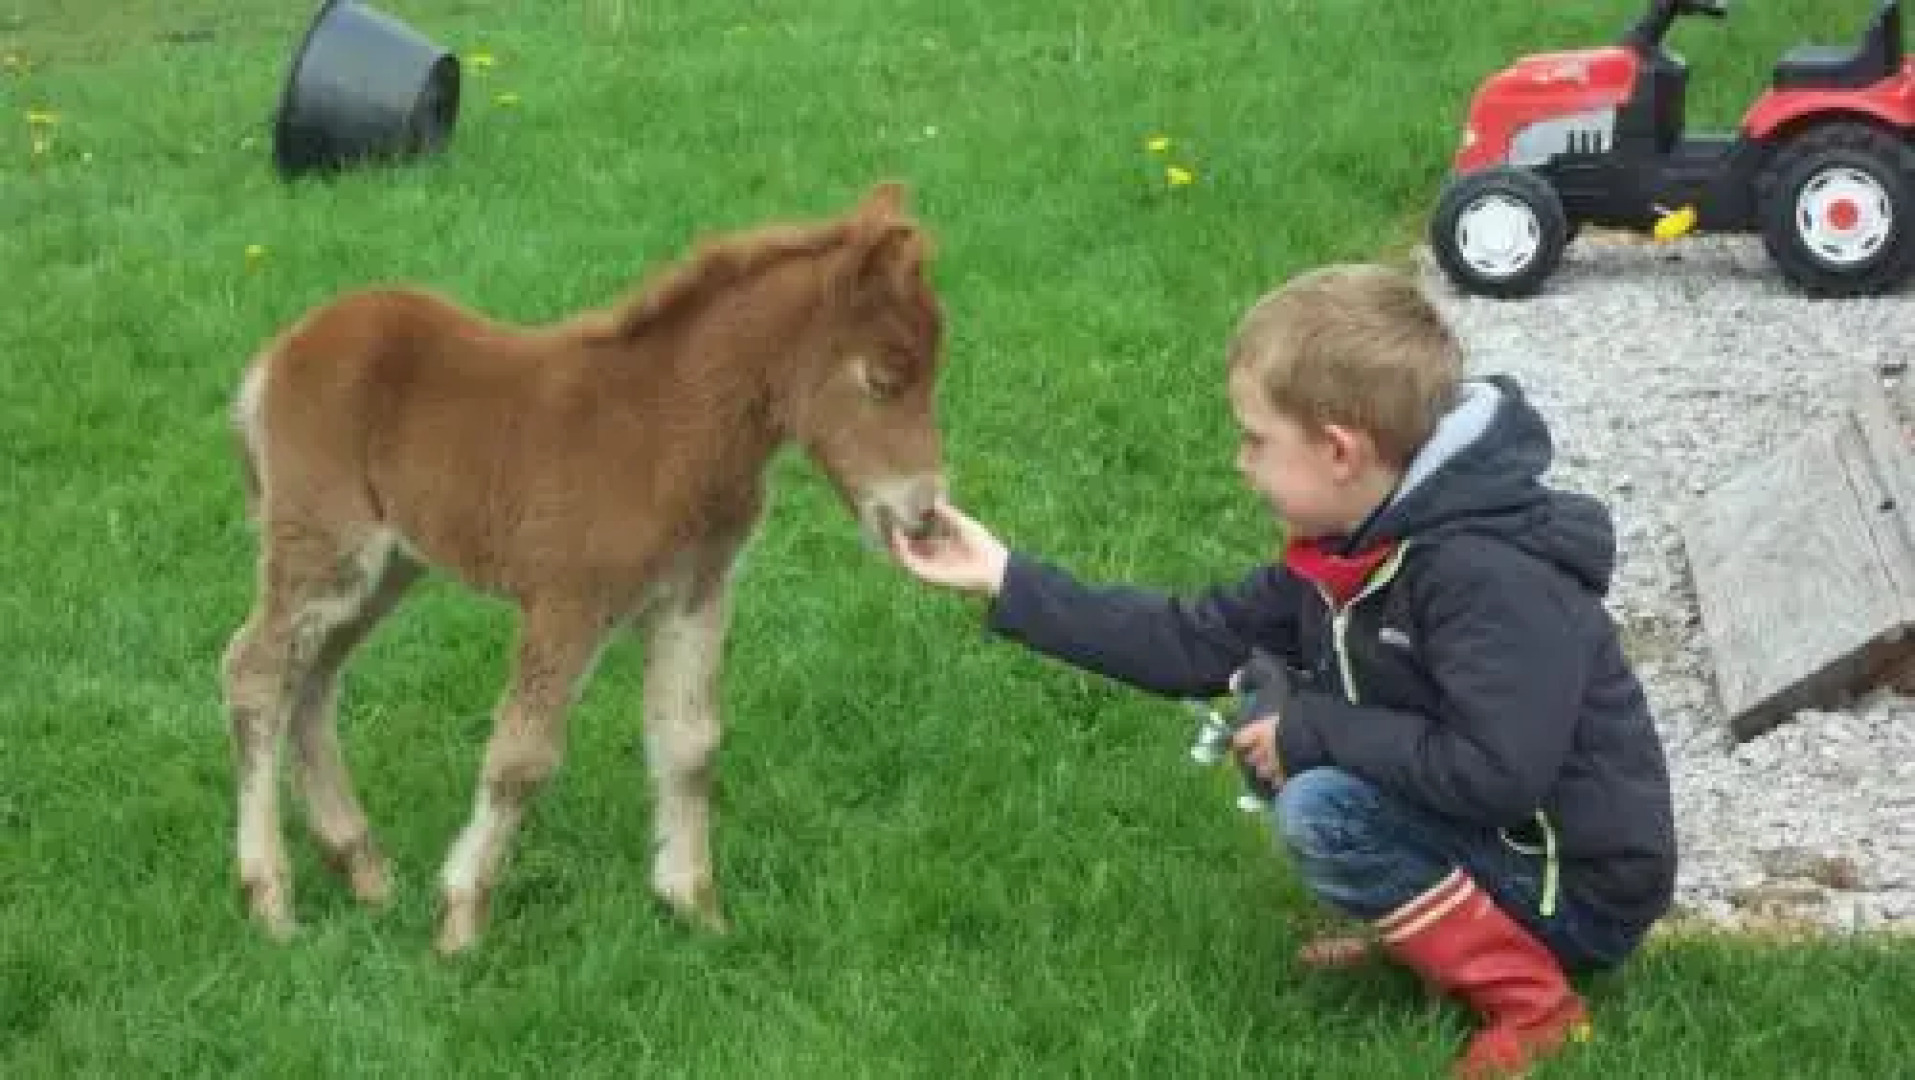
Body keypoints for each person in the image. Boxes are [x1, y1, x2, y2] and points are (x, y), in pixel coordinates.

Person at [886, 262, 1677, 1079]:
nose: (1241, 461)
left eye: (1256, 439)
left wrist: (1309, 730)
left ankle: (1533, 1003)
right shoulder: (1351, 547)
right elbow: (1192, 640)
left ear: (1338, 450)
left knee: (1321, 807)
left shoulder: (1487, 577)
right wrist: (1004, 575)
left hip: (1572, 890)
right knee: (1301, 756)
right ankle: (1430, 929)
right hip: (1502, 839)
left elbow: (1496, 773)